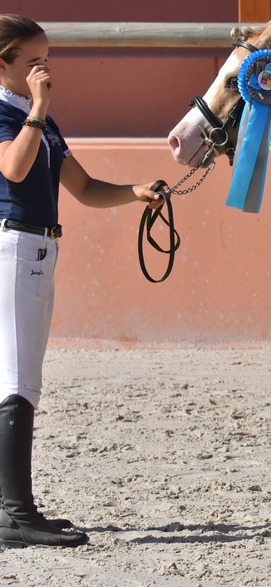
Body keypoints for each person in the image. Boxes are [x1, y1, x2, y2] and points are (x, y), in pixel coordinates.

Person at [0, 14, 166, 547]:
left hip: (40, 245)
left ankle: (15, 509)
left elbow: (86, 187)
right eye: (32, 61)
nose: (45, 70)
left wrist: (134, 191)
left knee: (21, 378)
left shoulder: (37, 118)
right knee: (17, 381)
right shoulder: (19, 116)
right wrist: (40, 109)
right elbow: (14, 171)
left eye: (46, 58)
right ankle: (15, 513)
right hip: (14, 245)